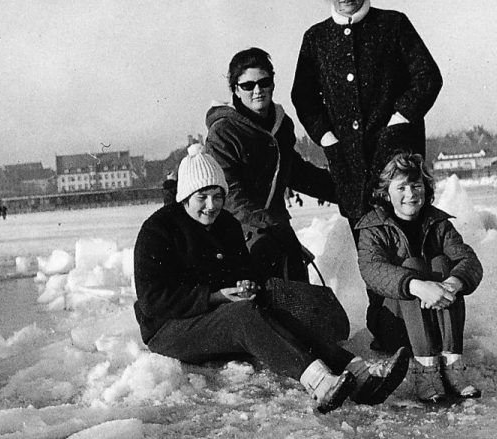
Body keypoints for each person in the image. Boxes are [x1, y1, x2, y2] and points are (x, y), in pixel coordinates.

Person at [133, 144, 410, 413]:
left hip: (218, 315)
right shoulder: (158, 230)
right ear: (185, 197)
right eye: (202, 197)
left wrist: (246, 284)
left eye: (218, 196)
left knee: (267, 309)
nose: (211, 205)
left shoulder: (227, 224)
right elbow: (152, 300)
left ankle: (358, 372)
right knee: (240, 316)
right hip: (168, 329)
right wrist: (214, 296)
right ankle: (319, 382)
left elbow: (243, 269)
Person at [291, 0, 443, 231]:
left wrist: (398, 122)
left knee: (410, 241)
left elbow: (428, 77)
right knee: (370, 247)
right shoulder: (316, 39)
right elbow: (303, 97)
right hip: (349, 163)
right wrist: (327, 139)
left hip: (398, 160)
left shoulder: (393, 24)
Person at [355, 152, 483, 402]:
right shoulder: (372, 228)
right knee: (411, 266)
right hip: (395, 325)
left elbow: (470, 261)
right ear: (386, 193)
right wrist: (417, 286)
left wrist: (451, 284)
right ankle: (425, 370)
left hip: (437, 323)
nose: (410, 194)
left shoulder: (438, 223)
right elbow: (372, 270)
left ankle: (451, 364)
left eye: (416, 185)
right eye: (401, 187)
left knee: (443, 264)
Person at [206, 48, 337, 282]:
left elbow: (295, 171)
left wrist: (344, 189)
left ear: (273, 84)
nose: (257, 91)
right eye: (247, 85)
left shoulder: (280, 125)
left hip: (276, 229)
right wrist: (271, 225)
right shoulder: (224, 131)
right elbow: (230, 195)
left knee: (299, 293)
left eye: (263, 82)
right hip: (238, 233)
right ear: (235, 89)